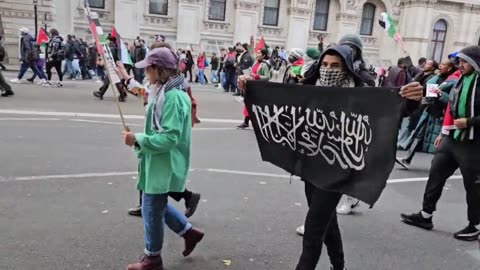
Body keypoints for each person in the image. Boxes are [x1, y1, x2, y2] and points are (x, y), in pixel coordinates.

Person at [294, 44, 424, 270]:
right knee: (328, 223)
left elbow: (391, 110)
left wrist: (412, 101)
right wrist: (250, 87)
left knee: (313, 230)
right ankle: (340, 265)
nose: (328, 70)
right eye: (324, 65)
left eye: (335, 66)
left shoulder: (361, 92)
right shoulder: (309, 88)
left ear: (347, 68)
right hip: (312, 168)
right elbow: (279, 100)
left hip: (339, 171)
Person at [122, 47, 204, 270]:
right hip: (158, 160)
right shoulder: (163, 89)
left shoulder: (173, 96)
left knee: (151, 208)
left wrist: (137, 139)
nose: (145, 73)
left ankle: (153, 259)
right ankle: (189, 233)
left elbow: (169, 139)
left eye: (147, 69)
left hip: (165, 161)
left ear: (158, 70)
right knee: (155, 205)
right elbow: (144, 96)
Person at [400, 45, 480, 242]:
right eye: (459, 61)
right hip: (452, 139)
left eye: (463, 62)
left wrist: (470, 122)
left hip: (473, 143)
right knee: (435, 174)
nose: (459, 65)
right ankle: (426, 215)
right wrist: (444, 132)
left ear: (474, 63)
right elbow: (451, 108)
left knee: (474, 186)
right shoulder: (461, 79)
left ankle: (475, 225)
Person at [396, 60, 459, 169]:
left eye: (443, 65)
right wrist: (421, 103)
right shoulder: (437, 78)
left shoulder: (453, 81)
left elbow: (451, 101)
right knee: (418, 135)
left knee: (439, 143)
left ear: (449, 68)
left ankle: (440, 164)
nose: (440, 66)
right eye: (440, 64)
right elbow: (429, 98)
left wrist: (440, 94)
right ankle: (407, 159)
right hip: (429, 112)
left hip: (440, 115)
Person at [237, 49, 271, 129]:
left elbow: (267, 77)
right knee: (248, 103)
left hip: (259, 87)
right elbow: (252, 72)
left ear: (263, 55)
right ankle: (246, 122)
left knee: (256, 105)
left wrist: (256, 76)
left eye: (259, 53)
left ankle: (260, 123)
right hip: (252, 85)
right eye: (257, 53)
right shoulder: (255, 62)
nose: (257, 54)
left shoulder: (265, 65)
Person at [93, 33, 128, 102]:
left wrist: (104, 62)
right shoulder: (116, 47)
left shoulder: (111, 48)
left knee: (112, 82)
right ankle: (121, 95)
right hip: (115, 66)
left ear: (109, 40)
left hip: (112, 66)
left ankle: (102, 93)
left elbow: (109, 58)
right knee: (111, 81)